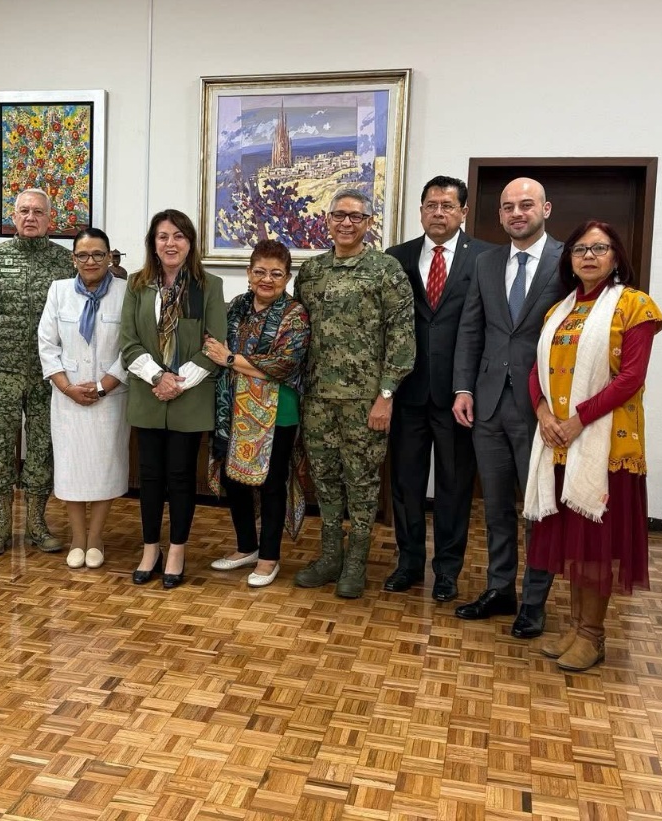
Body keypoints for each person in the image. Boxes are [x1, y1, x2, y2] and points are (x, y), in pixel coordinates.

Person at [525, 221, 662, 671]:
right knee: (573, 543)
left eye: (599, 248)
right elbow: (537, 372)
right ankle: (575, 624)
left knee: (594, 546)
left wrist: (577, 419)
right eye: (580, 249)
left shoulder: (634, 306)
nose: (588, 256)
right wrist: (545, 416)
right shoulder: (558, 311)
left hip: (605, 447)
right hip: (560, 442)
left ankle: (593, 634)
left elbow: (631, 378)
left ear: (616, 256)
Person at [452, 177, 565, 638]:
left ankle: (534, 601)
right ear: (499, 215)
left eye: (526, 204)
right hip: (489, 406)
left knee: (537, 510)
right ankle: (500, 589)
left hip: (542, 409)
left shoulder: (568, 261)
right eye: (508, 207)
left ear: (546, 208)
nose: (517, 213)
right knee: (496, 507)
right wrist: (464, 388)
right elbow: (471, 330)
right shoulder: (485, 262)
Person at [293, 188, 414, 597]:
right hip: (317, 400)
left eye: (356, 217)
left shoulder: (386, 270)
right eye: (339, 215)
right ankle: (330, 557)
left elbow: (402, 335)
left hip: (366, 401)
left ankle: (356, 564)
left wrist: (386, 394)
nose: (346, 223)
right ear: (327, 220)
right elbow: (298, 333)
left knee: (361, 483)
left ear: (368, 223)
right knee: (324, 480)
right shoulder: (310, 273)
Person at [384, 177, 495, 601]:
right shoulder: (397, 258)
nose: (439, 213)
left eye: (448, 206)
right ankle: (408, 563)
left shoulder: (486, 258)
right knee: (406, 486)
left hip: (458, 397)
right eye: (431, 205)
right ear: (420, 210)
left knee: (453, 487)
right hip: (408, 393)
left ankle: (447, 570)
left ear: (463, 212)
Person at [0, 188, 76, 555]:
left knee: (42, 451)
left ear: (50, 220)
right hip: (0, 375)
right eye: (24, 211)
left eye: (38, 212)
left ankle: (38, 526)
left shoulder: (64, 263)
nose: (30, 217)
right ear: (14, 217)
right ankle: (0, 527)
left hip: (50, 378)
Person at [120, 208, 226, 589]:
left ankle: (177, 550)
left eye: (179, 236)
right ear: (153, 243)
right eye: (163, 236)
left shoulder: (208, 285)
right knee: (148, 478)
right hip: (148, 396)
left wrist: (177, 382)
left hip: (190, 398)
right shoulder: (136, 285)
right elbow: (128, 343)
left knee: (181, 477)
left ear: (190, 243)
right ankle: (151, 549)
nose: (171, 243)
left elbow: (214, 345)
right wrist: (158, 377)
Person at [204, 239, 310, 588]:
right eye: (260, 272)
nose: (267, 279)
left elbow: (284, 363)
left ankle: (269, 557)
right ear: (249, 274)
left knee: (271, 482)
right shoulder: (236, 307)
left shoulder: (295, 313)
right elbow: (214, 345)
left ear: (287, 277)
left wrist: (232, 360)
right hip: (233, 406)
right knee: (235, 477)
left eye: (276, 274)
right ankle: (246, 546)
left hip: (278, 410)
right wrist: (232, 362)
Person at [37, 227, 130, 568]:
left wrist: (106, 384)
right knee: (71, 469)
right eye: (83, 255)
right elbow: (47, 344)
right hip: (68, 396)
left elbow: (131, 346)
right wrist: (66, 387)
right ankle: (78, 537)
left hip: (110, 395)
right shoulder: (59, 290)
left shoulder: (126, 291)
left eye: (98, 255)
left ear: (110, 257)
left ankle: (96, 538)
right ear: (73, 258)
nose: (90, 261)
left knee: (105, 466)